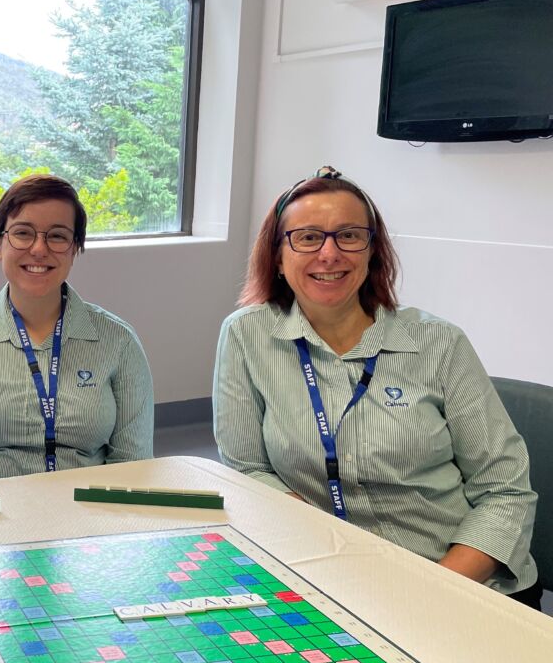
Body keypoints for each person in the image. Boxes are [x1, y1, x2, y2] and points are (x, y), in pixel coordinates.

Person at [212, 165, 539, 606]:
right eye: (308, 237)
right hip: (328, 577)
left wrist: (430, 592)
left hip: (454, 581)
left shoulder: (439, 343)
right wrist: (323, 547)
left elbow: (505, 490)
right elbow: (247, 469)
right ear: (277, 256)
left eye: (349, 235)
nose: (329, 254)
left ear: (373, 252)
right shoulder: (246, 335)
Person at [0, 174, 154, 487]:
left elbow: (132, 469)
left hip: (89, 523)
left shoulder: (118, 343)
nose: (39, 249)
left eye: (57, 236)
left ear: (75, 249)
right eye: (22, 233)